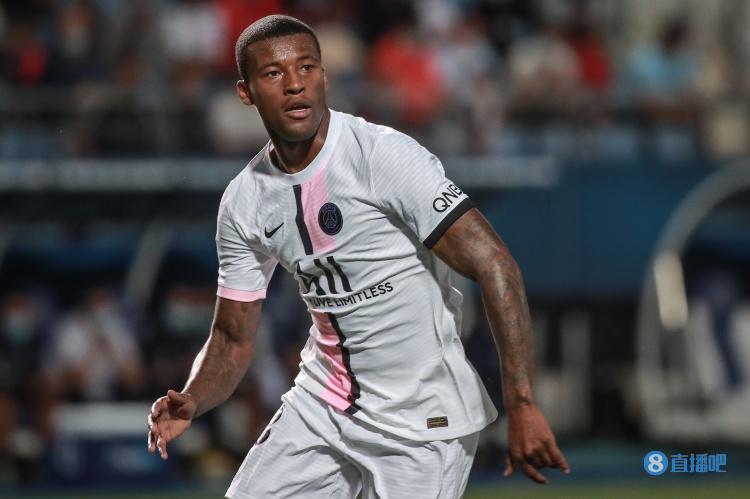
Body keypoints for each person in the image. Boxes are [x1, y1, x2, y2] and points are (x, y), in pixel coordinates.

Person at [147, 14, 569, 498]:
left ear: (325, 78)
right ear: (246, 92)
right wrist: (194, 397)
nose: (294, 84)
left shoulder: (383, 156)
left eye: (307, 67)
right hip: (322, 407)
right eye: (274, 73)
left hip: (423, 420)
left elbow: (495, 263)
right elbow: (231, 337)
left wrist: (522, 402)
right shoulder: (244, 202)